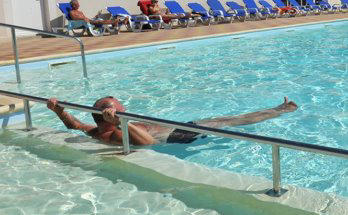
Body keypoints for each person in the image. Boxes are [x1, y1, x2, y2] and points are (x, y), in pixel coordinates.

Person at [47, 96, 298, 146]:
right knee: (231, 122)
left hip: (177, 127)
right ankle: (282, 110)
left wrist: (59, 111)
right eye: (122, 111)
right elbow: (146, 144)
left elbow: (75, 126)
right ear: (110, 117)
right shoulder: (111, 134)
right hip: (177, 137)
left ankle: (278, 109)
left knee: (227, 118)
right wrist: (123, 124)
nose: (127, 111)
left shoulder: (94, 130)